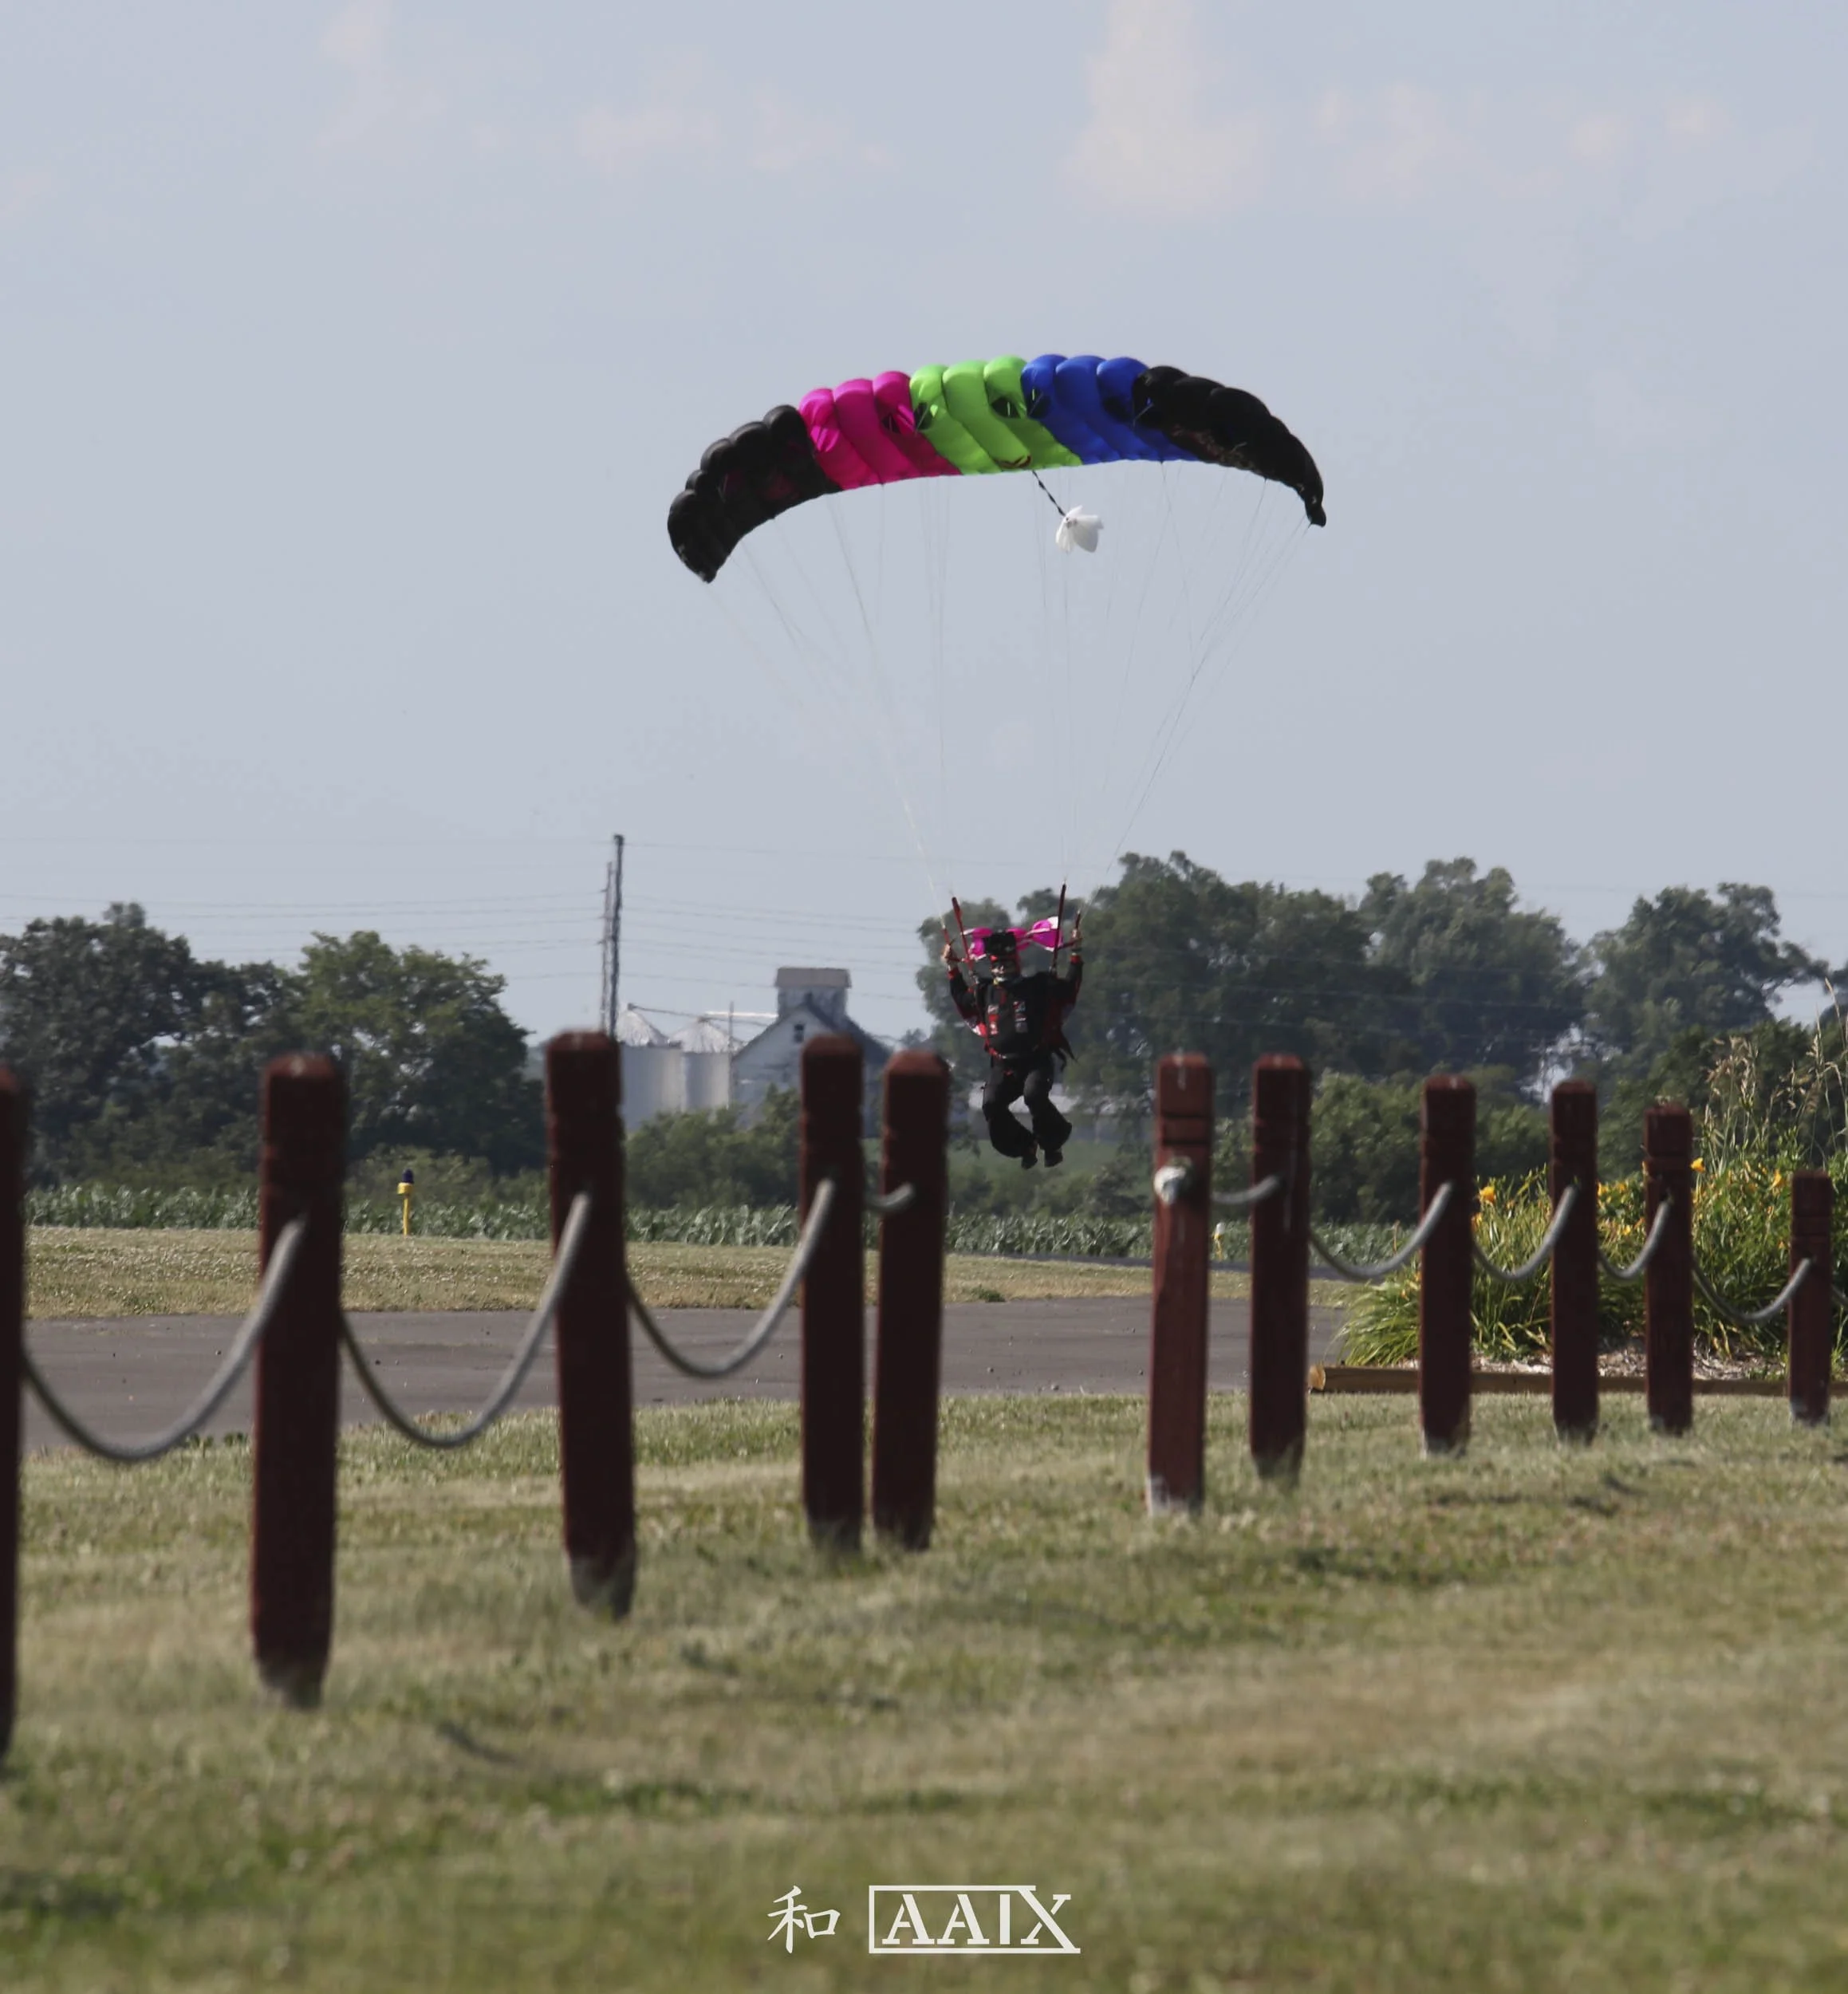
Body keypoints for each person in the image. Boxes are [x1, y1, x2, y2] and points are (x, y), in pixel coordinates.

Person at [943, 916, 1083, 1168]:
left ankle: (1052, 1144)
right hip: (1002, 1066)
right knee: (991, 1105)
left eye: (1007, 965)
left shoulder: (1036, 986)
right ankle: (1025, 1145)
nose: (1002, 970)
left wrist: (1076, 954)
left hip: (1035, 1061)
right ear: (992, 967)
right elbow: (962, 999)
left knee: (1034, 1096)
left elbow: (1069, 989)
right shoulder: (984, 992)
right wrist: (952, 969)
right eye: (997, 966)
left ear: (1016, 964)